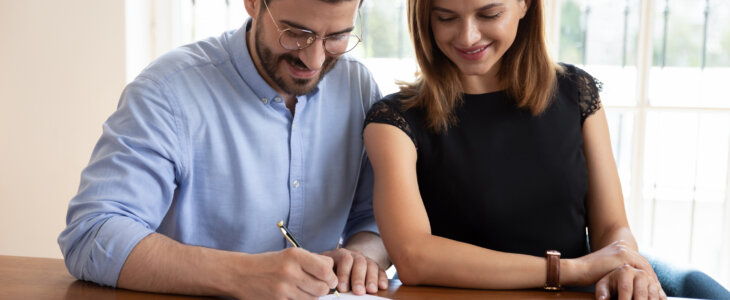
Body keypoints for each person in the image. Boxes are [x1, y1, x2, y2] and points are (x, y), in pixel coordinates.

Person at [58, 0, 390, 299]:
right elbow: (92, 235)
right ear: (253, 4)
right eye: (295, 32)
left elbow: (374, 219)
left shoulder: (357, 87)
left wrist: (361, 259)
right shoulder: (167, 91)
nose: (314, 58)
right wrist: (242, 275)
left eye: (336, 36)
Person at [363, 0, 668, 299]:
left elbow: (613, 228)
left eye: (490, 14)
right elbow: (414, 258)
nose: (468, 36)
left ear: (525, 5)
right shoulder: (393, 120)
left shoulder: (576, 93)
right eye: (446, 18)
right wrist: (569, 271)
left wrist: (624, 263)